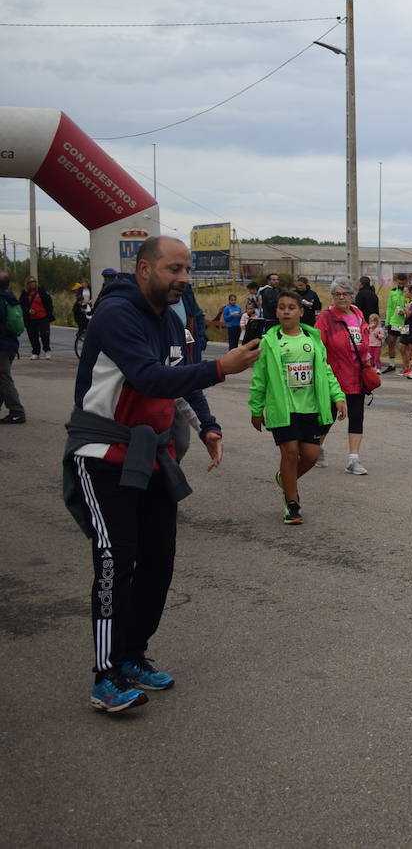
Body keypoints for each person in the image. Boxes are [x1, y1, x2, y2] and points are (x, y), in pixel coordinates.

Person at [61, 236, 261, 712]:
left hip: (152, 456)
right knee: (115, 559)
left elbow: (180, 375)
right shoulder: (116, 315)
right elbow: (149, 377)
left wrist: (208, 425)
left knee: (159, 560)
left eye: (187, 270)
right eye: (174, 269)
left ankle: (133, 656)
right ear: (145, 269)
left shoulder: (170, 320)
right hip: (101, 452)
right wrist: (222, 367)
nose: (184, 279)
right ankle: (104, 676)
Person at [248, 290, 347, 524]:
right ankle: (292, 503)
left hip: (311, 407)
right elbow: (259, 378)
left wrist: (338, 396)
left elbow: (326, 371)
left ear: (301, 312)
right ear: (276, 312)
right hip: (282, 408)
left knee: (311, 456)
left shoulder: (312, 340)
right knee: (290, 453)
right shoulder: (269, 342)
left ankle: (285, 479)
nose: (286, 311)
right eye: (282, 307)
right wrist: (255, 409)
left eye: (291, 307)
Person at [314, 277, 371, 476]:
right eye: (337, 294)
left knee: (357, 416)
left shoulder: (358, 314)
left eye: (345, 293)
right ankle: (316, 448)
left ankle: (353, 459)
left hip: (357, 374)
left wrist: (368, 358)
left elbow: (364, 339)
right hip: (334, 375)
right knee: (327, 416)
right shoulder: (325, 317)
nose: (341, 297)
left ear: (351, 295)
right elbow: (318, 347)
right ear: (332, 297)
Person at [0, 271, 26, 424]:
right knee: (2, 377)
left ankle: (17, 411)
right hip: (11, 344)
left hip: (2, 345)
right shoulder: (10, 298)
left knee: (4, 378)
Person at [19, 274, 54, 360]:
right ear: (27, 283)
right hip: (31, 318)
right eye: (31, 282)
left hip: (43, 316)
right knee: (33, 336)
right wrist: (28, 310)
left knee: (44, 334)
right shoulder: (24, 293)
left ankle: (47, 350)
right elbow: (21, 305)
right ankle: (35, 352)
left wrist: (49, 313)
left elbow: (49, 302)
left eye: (34, 281)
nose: (33, 283)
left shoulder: (42, 291)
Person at [383, 274, 409, 373]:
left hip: (404, 323)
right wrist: (387, 321)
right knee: (391, 342)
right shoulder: (392, 292)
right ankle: (392, 365)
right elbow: (389, 307)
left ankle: (406, 366)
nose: (401, 285)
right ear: (396, 282)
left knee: (405, 345)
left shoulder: (408, 292)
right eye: (399, 283)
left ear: (406, 282)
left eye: (403, 283)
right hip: (394, 321)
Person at [73, 278, 94, 347]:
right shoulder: (80, 289)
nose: (83, 284)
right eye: (82, 283)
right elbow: (78, 297)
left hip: (89, 305)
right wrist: (83, 302)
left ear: (87, 283)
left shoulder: (90, 289)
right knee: (82, 320)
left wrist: (90, 301)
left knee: (88, 318)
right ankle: (81, 332)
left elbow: (92, 296)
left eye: (85, 283)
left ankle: (84, 333)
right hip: (82, 305)